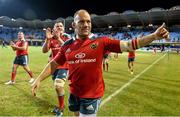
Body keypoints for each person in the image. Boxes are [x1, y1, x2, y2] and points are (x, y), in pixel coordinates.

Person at [31, 9, 169, 117]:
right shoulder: (67, 45)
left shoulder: (101, 42)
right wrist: (38, 79)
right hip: (74, 93)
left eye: (88, 21)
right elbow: (54, 64)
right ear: (74, 25)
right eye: (81, 22)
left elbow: (129, 44)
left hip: (92, 95)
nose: (86, 24)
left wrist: (154, 36)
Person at [41, 21, 70, 116]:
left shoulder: (67, 37)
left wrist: (58, 39)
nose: (59, 27)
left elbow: (70, 49)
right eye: (57, 26)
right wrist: (47, 39)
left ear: (63, 28)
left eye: (61, 26)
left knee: (58, 86)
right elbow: (44, 51)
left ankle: (61, 108)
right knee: (57, 87)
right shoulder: (51, 38)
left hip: (64, 66)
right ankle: (60, 106)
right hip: (54, 67)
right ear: (54, 28)